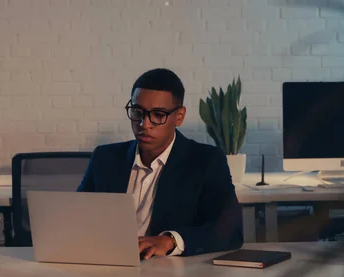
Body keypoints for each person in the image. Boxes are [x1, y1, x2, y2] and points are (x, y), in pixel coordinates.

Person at [77, 68, 243, 259]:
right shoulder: (105, 158)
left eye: (158, 115)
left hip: (169, 275)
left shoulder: (205, 161)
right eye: (137, 112)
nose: (144, 124)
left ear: (179, 116)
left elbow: (232, 231)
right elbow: (79, 217)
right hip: (108, 264)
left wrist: (170, 240)